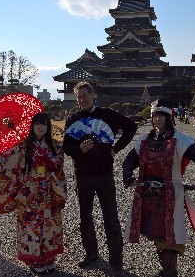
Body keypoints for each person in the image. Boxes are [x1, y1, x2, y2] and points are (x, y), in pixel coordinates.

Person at [122, 99, 195, 277]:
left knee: (170, 233)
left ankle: (171, 271)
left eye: (161, 115)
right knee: (154, 232)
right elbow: (129, 160)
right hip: (147, 193)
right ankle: (167, 268)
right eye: (155, 115)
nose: (157, 119)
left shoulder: (179, 140)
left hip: (170, 195)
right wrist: (129, 176)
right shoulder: (145, 141)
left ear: (168, 117)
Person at [63, 81, 138, 270]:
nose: (81, 100)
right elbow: (66, 147)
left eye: (84, 96)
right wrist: (79, 148)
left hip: (104, 173)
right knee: (85, 217)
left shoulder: (106, 114)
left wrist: (116, 149)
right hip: (82, 175)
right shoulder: (73, 119)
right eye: (78, 97)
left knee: (110, 217)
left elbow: (131, 127)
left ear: (93, 95)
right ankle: (91, 254)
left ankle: (116, 260)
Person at [0, 112, 67, 274]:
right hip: (29, 192)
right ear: (32, 126)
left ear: (48, 126)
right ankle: (34, 259)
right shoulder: (23, 146)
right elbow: (7, 159)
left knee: (50, 225)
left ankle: (49, 258)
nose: (40, 126)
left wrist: (49, 161)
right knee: (31, 226)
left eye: (43, 123)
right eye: (37, 123)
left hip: (49, 191)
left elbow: (59, 164)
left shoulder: (55, 145)